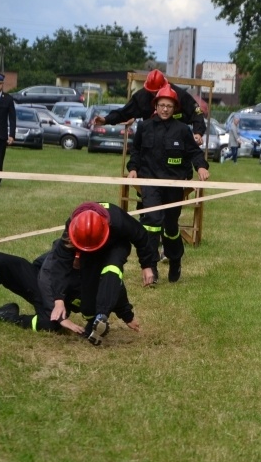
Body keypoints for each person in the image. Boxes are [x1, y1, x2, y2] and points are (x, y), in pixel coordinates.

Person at [0, 244, 141, 341]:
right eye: (72, 255)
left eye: (80, 257)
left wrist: (127, 316)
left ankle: (8, 316)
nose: (74, 260)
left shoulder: (102, 275)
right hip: (40, 282)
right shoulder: (61, 254)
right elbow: (41, 270)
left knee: (50, 325)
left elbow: (117, 291)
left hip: (58, 304)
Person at [127, 86, 210, 283]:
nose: (165, 109)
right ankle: (151, 268)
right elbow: (136, 151)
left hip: (173, 185)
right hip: (150, 183)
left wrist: (201, 167)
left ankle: (175, 259)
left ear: (175, 108)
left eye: (169, 106)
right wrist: (133, 169)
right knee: (152, 222)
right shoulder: (145, 127)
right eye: (162, 105)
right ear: (155, 106)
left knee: (170, 227)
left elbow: (194, 152)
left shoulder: (182, 130)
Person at [48, 201, 158, 345]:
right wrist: (59, 300)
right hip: (88, 247)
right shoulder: (72, 228)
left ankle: (102, 317)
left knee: (111, 272)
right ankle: (94, 323)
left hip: (116, 244)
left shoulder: (118, 220)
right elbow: (59, 265)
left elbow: (141, 235)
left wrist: (147, 265)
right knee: (88, 291)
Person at [91, 69, 206, 144]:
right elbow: (124, 112)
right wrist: (106, 119)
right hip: (152, 139)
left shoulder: (180, 95)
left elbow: (197, 113)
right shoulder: (142, 96)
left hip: (175, 138)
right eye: (152, 92)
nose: (155, 95)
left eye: (157, 91)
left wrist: (198, 133)